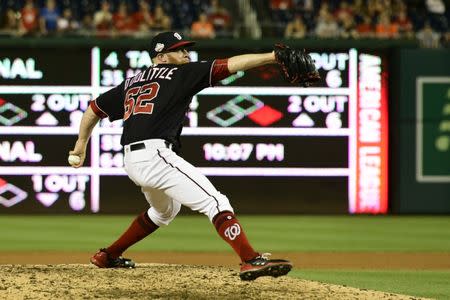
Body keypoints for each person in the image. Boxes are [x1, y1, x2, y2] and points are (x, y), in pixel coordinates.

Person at [69, 31, 293, 281]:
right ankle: (250, 260)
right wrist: (273, 57)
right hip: (155, 156)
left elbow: (93, 110)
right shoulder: (181, 73)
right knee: (215, 202)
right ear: (161, 57)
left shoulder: (131, 82)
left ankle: (108, 255)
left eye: (186, 48)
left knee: (164, 211)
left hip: (132, 160)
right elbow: (232, 64)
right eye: (179, 50)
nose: (186, 53)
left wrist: (81, 144)